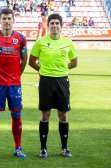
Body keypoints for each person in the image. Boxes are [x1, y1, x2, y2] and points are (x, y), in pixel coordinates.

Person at [28, 13, 78, 158]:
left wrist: (62, 70)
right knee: (45, 114)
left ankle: (64, 148)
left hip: (62, 81)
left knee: (62, 114)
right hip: (45, 81)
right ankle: (43, 149)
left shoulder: (68, 43)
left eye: (57, 23)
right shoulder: (40, 42)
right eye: (52, 23)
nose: (54, 26)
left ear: (61, 26)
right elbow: (31, 61)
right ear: (48, 26)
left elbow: (74, 63)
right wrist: (43, 70)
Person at [0, 7, 28, 159]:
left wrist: (16, 75)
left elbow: (24, 60)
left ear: (13, 20)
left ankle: (18, 147)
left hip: (15, 85)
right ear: (0, 20)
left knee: (16, 114)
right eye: (4, 18)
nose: (7, 21)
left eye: (9, 19)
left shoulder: (20, 38)